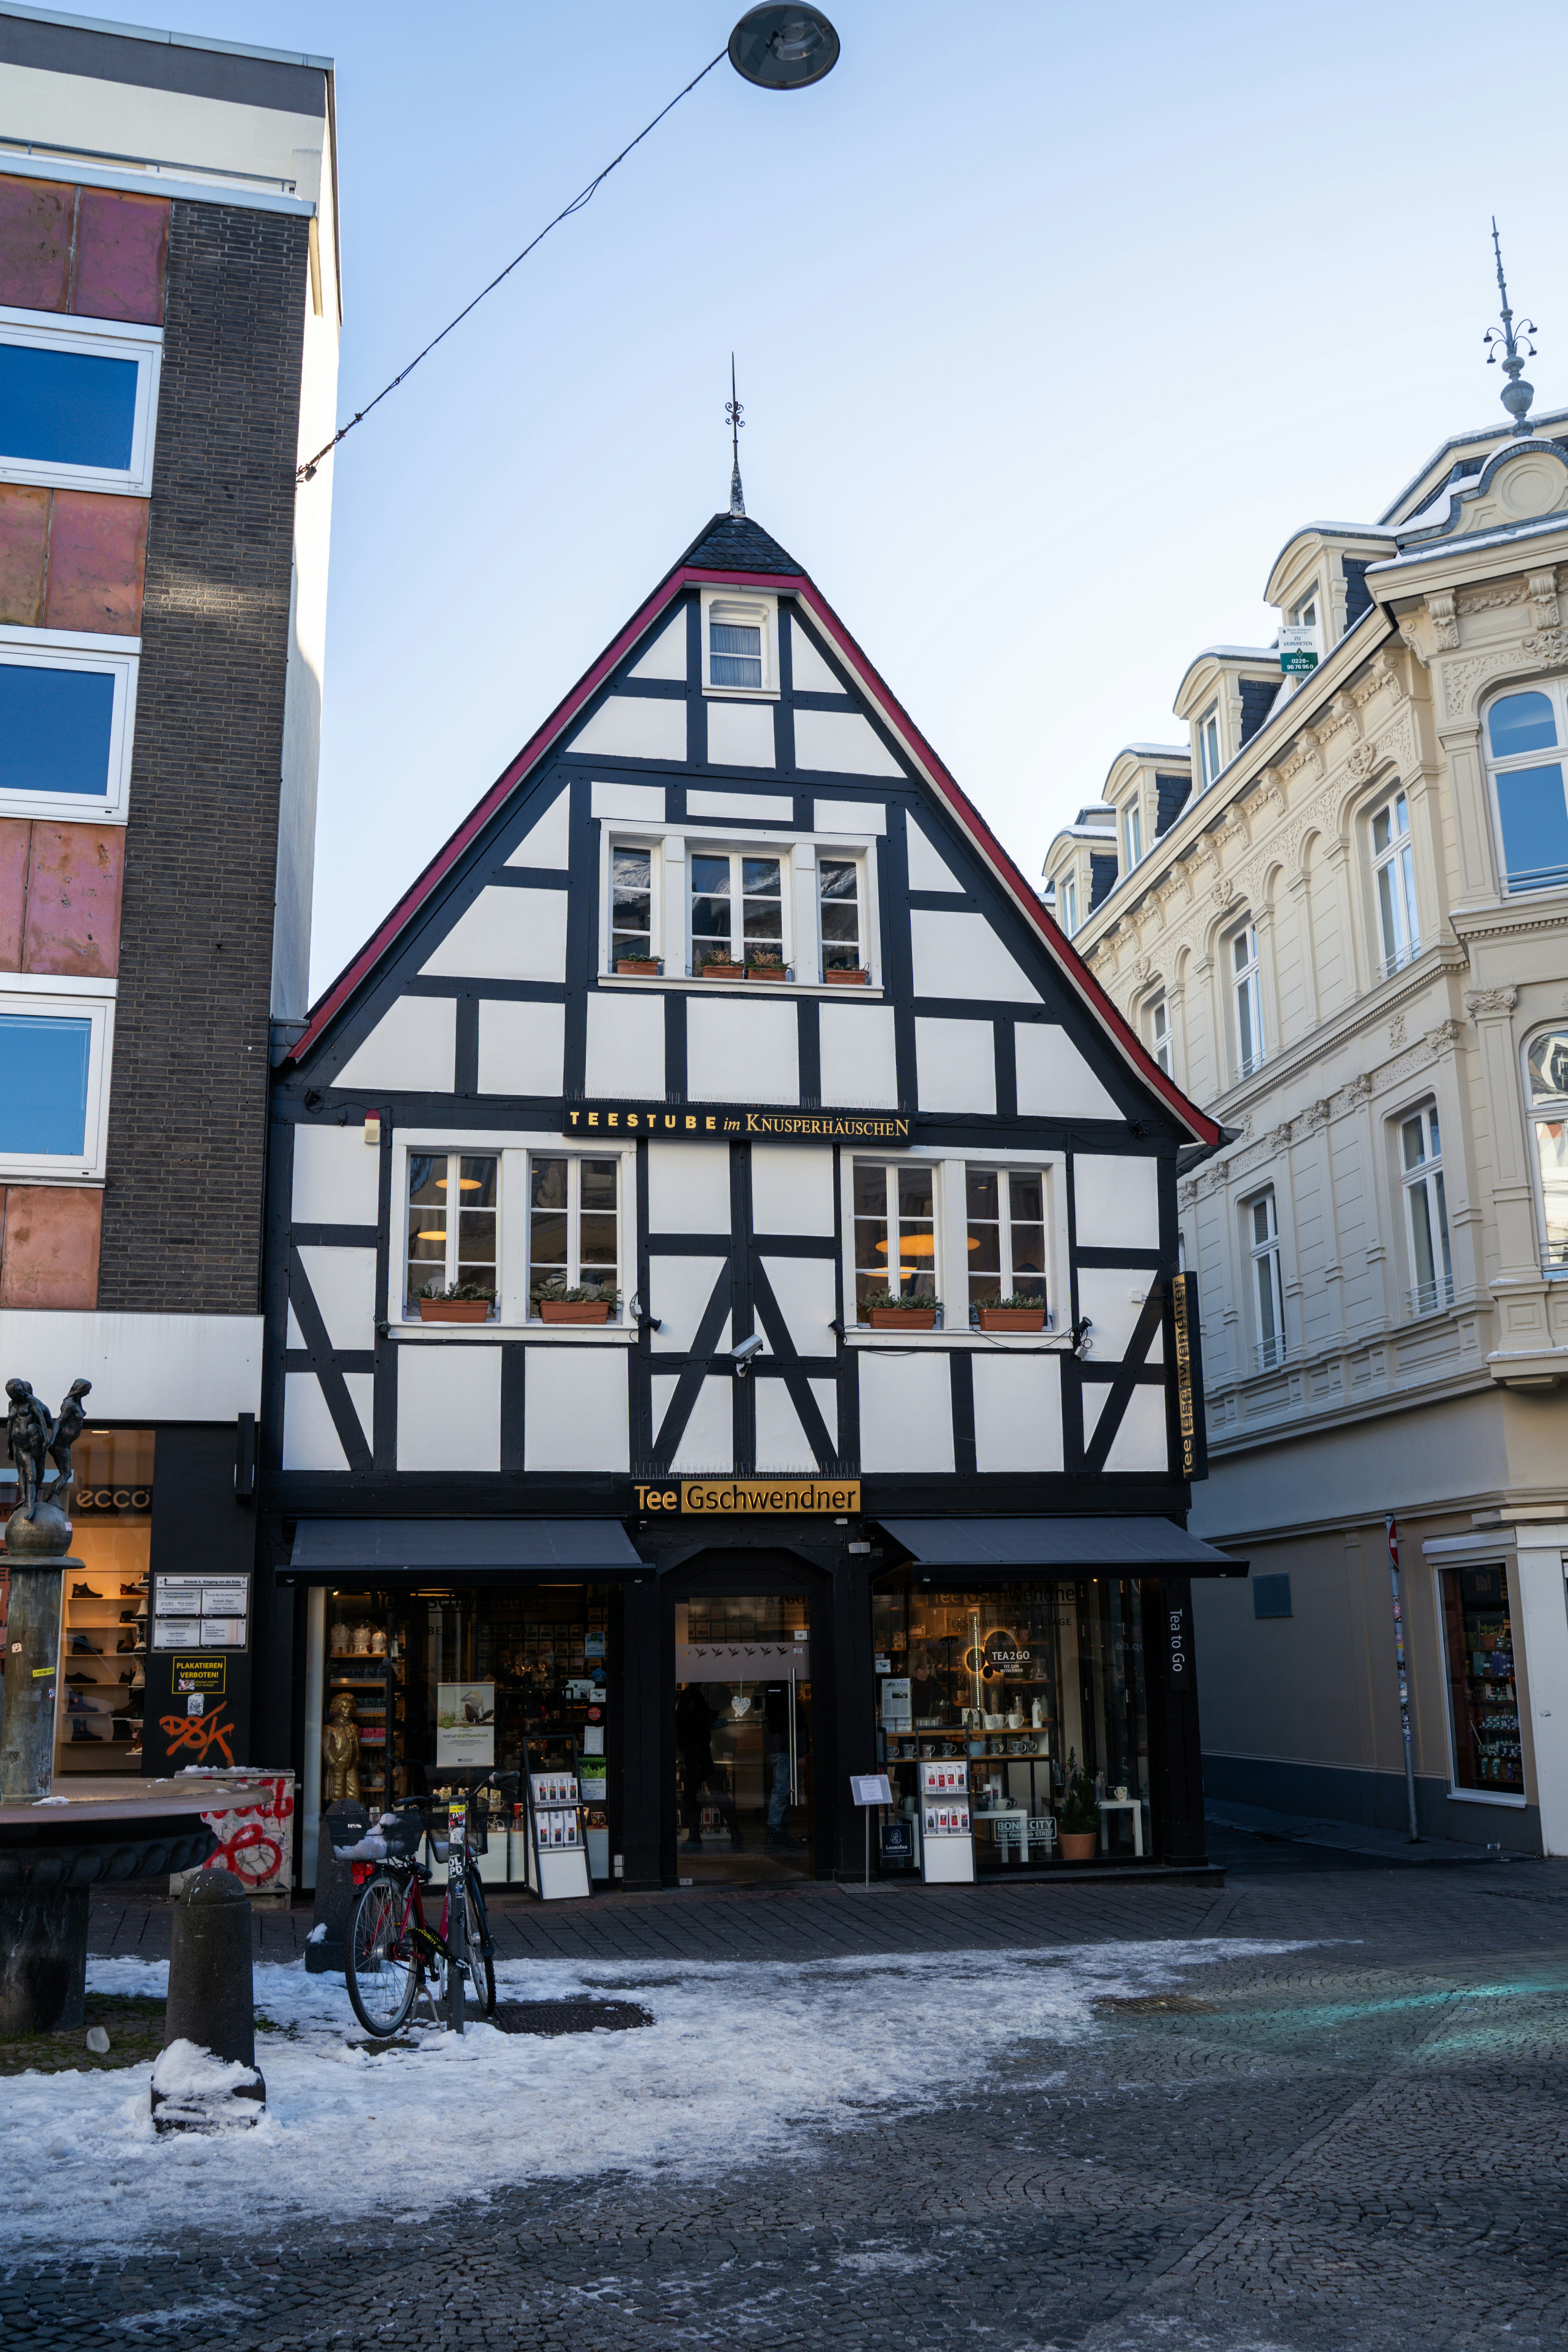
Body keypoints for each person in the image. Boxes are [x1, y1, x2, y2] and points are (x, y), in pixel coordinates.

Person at [675, 1682, 739, 1850]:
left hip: (700, 1750)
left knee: (703, 1792)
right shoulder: (710, 1691)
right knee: (700, 1793)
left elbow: (680, 1723)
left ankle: (698, 1835)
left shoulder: (692, 1693)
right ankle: (732, 1832)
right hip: (702, 1750)